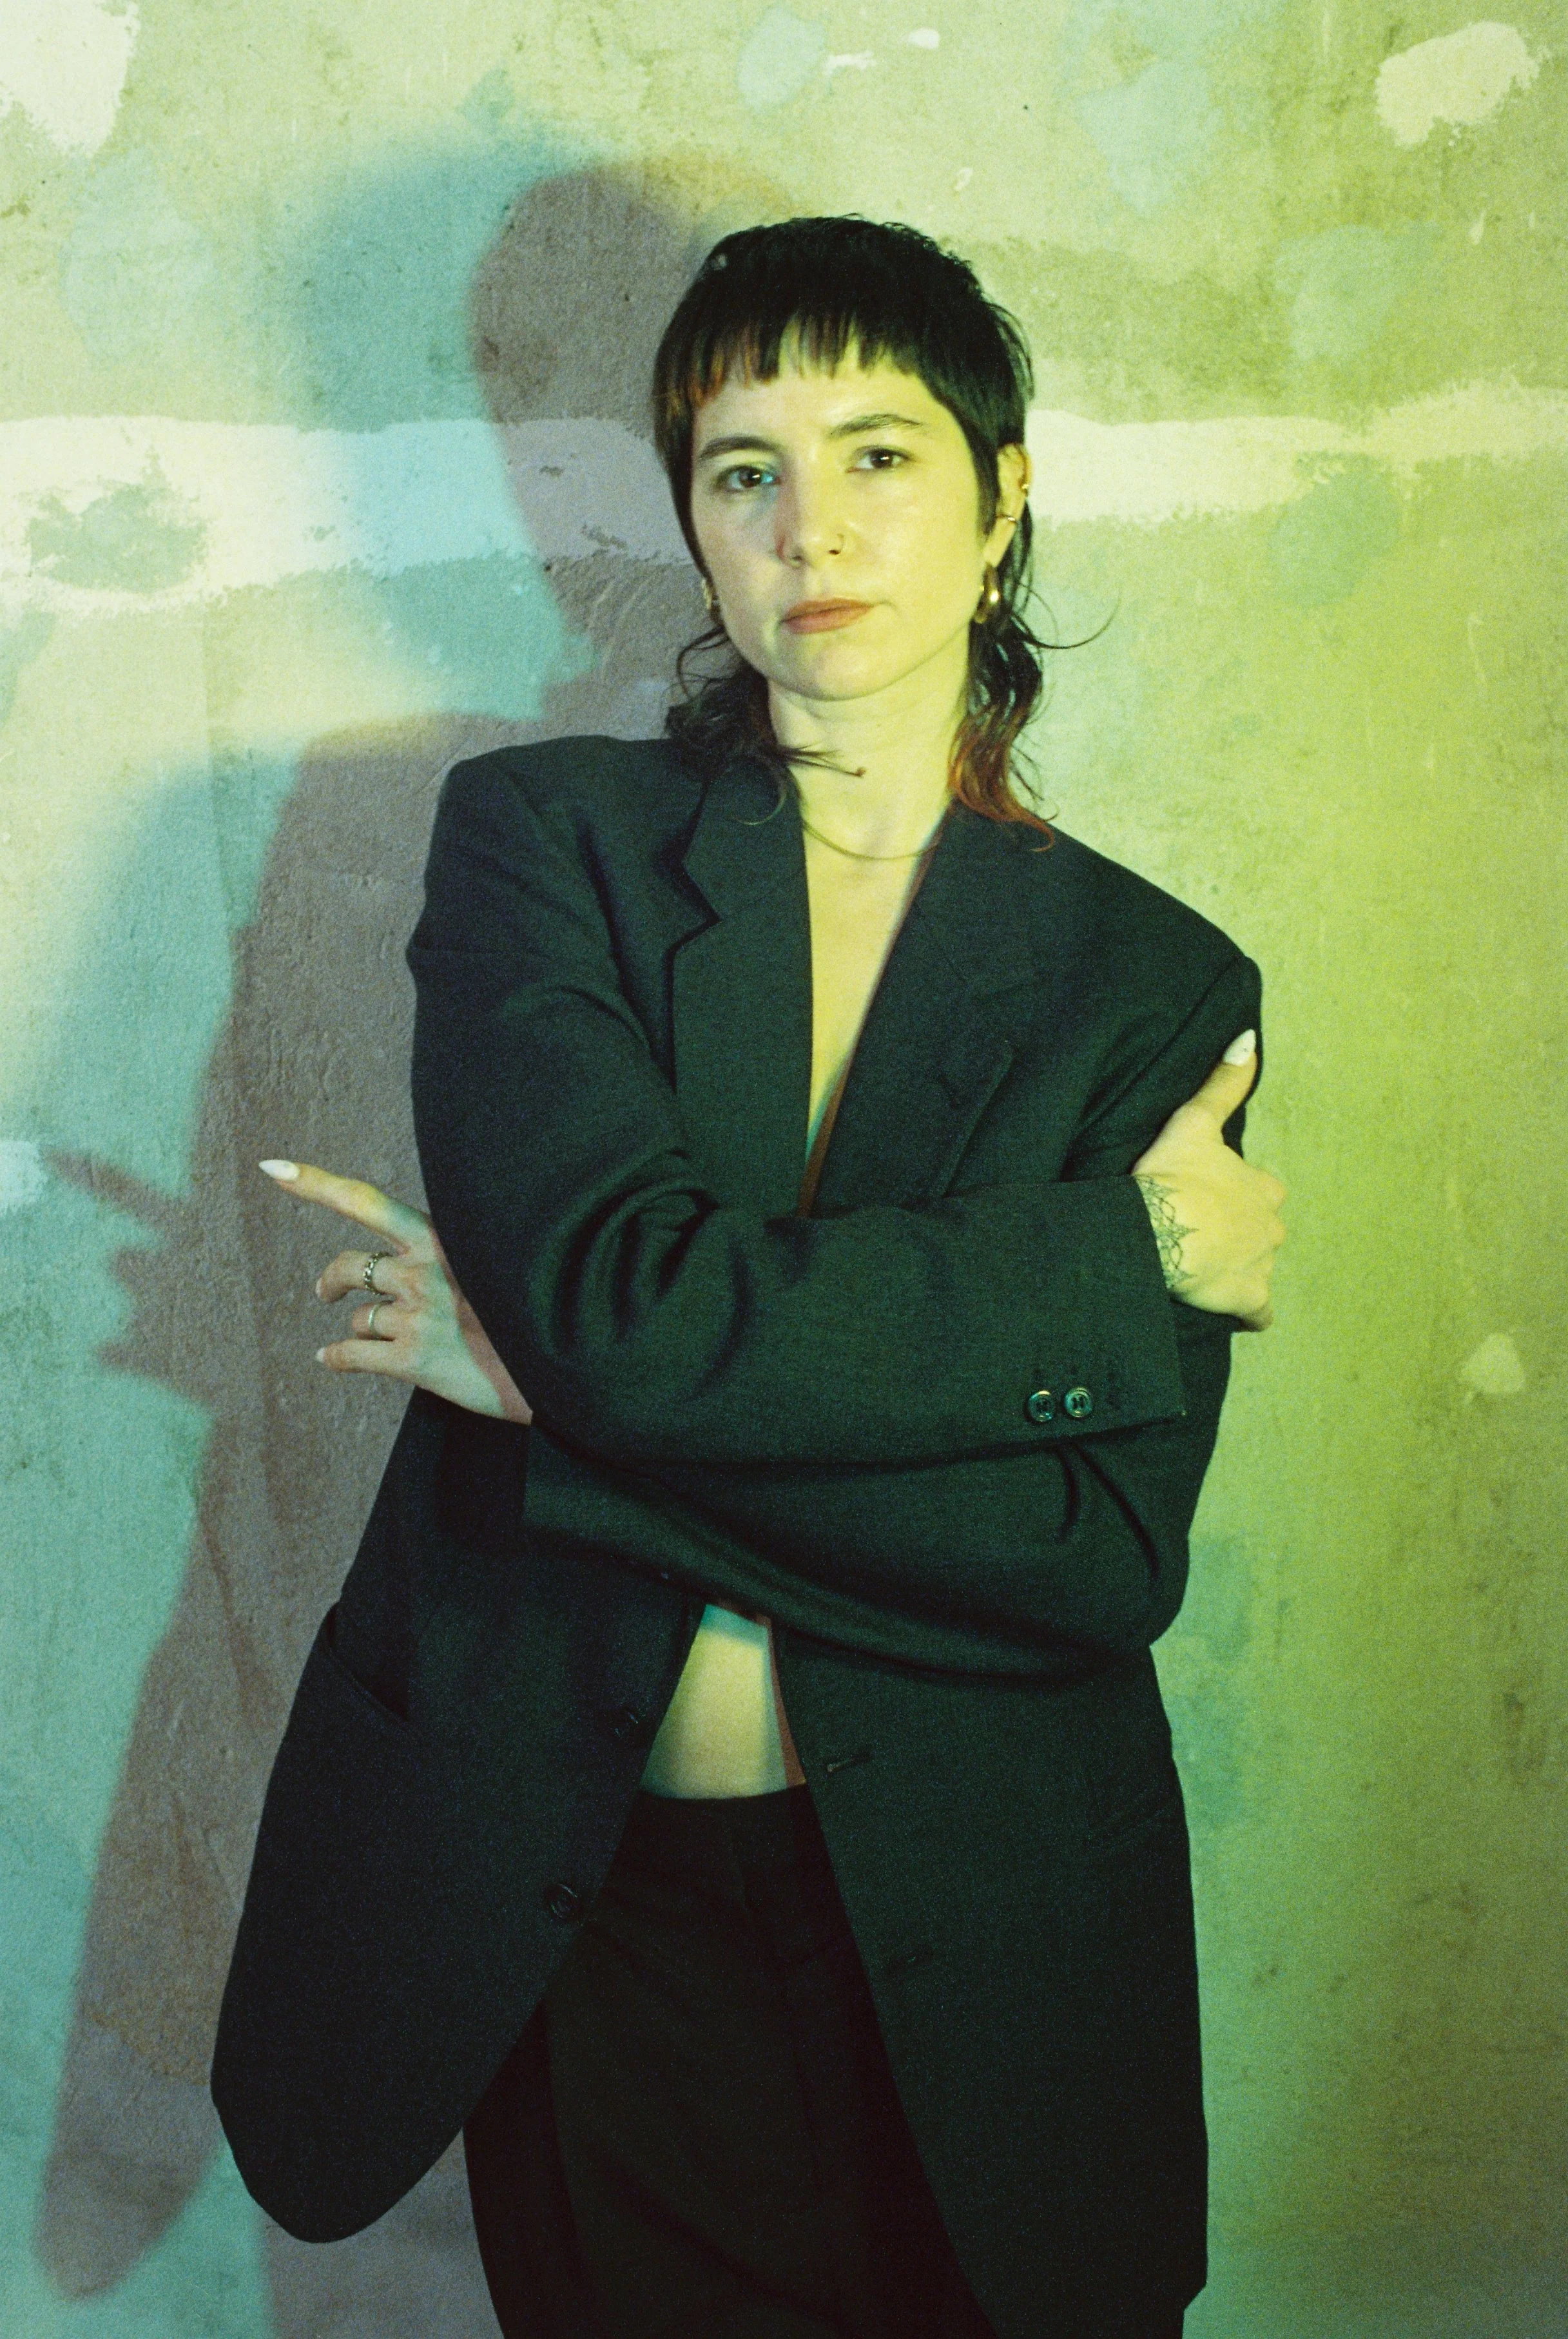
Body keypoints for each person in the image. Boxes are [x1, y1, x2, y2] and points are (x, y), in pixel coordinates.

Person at [211, 217, 1286, 2338]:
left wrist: (562, 1415)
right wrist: (1119, 1256)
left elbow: (1091, 1558)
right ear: (694, 526)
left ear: (1001, 500)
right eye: (743, 470)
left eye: (881, 454)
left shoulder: (1153, 990)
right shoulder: (547, 847)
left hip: (990, 1938)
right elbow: (620, 1308)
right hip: (587, 1912)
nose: (814, 527)